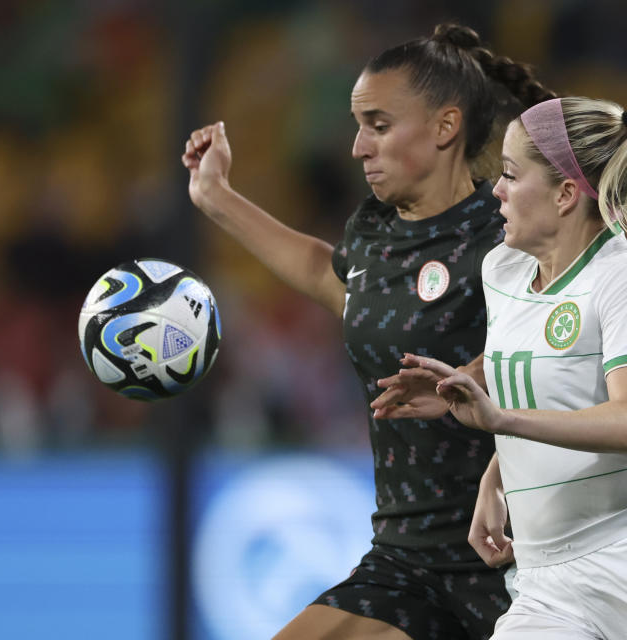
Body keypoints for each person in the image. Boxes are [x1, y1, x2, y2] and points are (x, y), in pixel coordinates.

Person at [182, 23, 557, 640]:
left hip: (518, 561)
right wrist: (216, 196)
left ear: (445, 127)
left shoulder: (509, 229)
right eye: (359, 126)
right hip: (406, 560)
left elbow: (567, 344)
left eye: (379, 126)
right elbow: (327, 275)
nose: (358, 146)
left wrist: (473, 378)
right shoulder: (374, 231)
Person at [385, 97, 627, 638]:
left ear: (566, 193)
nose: (496, 190)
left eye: (509, 174)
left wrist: (501, 422)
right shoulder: (502, 268)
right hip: (548, 584)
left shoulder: (624, 275)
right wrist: (493, 460)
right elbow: (541, 368)